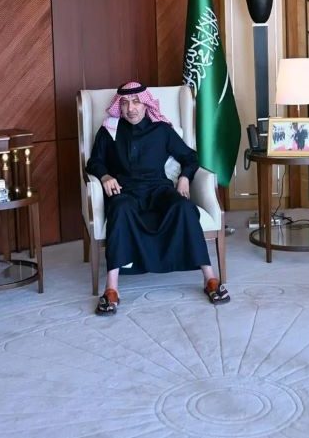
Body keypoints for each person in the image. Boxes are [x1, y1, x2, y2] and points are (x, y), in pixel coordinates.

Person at [86, 81, 229, 315]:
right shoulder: (109, 131)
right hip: (125, 191)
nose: (131, 108)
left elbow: (190, 157)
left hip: (158, 189)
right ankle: (111, 289)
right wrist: (105, 176)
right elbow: (94, 162)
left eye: (136, 102)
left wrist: (184, 178)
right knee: (120, 210)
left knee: (184, 207)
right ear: (119, 107)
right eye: (125, 103)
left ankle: (210, 278)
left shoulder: (161, 130)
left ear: (146, 105)